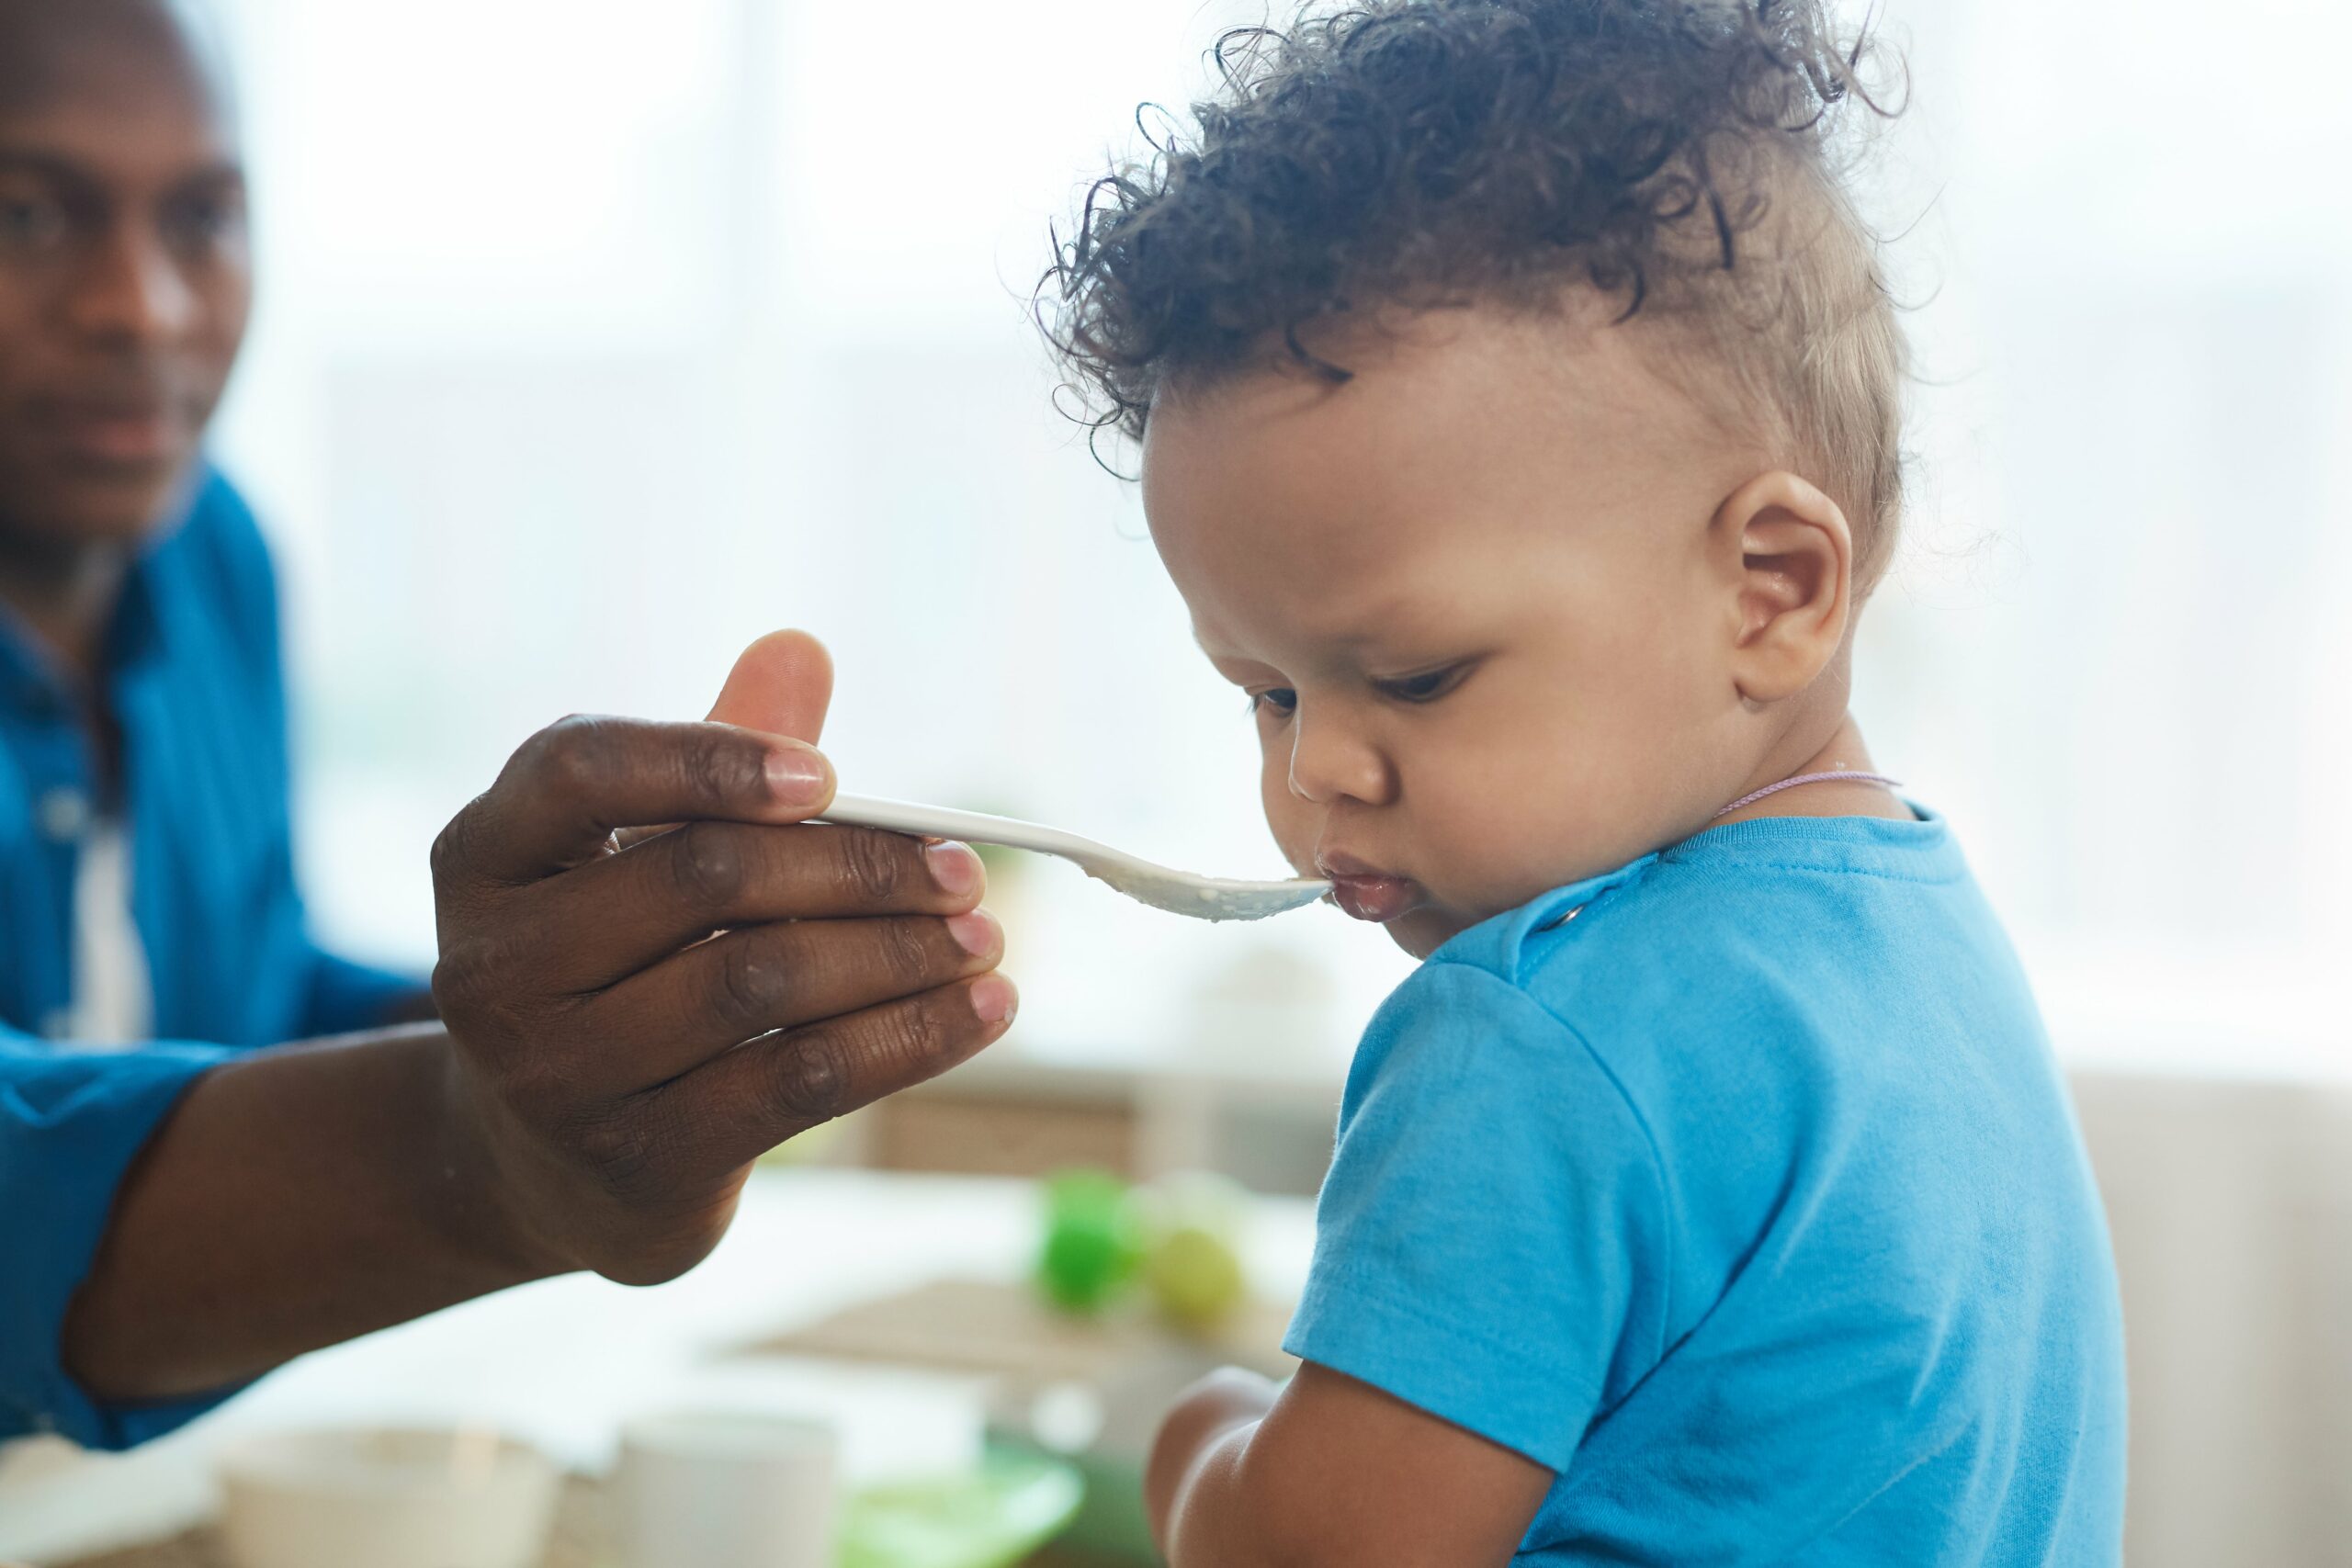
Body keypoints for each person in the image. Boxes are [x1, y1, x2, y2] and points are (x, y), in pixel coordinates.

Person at [1042, 2, 2126, 1562]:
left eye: (1414, 676)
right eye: (1265, 691)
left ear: (1770, 588)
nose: (1314, 769)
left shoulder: (1534, 1032)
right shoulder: (1931, 955)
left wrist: (1193, 1440)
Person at [0, 0, 1017, 1450]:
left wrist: (607, 990)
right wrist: (499, 1150)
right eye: (34, 213)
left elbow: (250, 993)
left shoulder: (211, 560)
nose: (144, 305)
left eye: (205, 218)